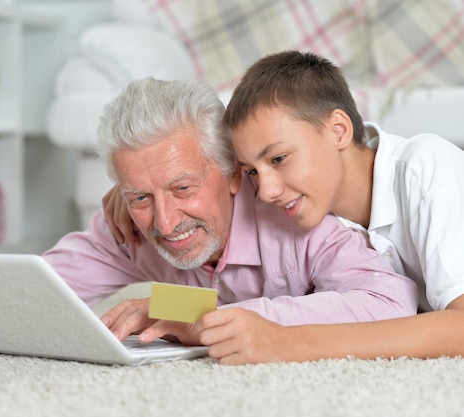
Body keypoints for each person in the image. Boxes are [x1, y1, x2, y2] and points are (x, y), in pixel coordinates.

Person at [105, 51, 464, 364]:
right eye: (251, 172)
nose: (265, 191)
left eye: (278, 158)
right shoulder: (310, 210)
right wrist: (136, 193)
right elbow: (250, 292)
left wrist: (290, 343)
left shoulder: (426, 168)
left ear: (338, 129)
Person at [43, 76, 417, 356]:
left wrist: (201, 317)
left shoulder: (297, 213)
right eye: (140, 196)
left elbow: (390, 303)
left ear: (234, 173)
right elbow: (32, 294)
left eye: (183, 189)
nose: (166, 223)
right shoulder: (128, 224)